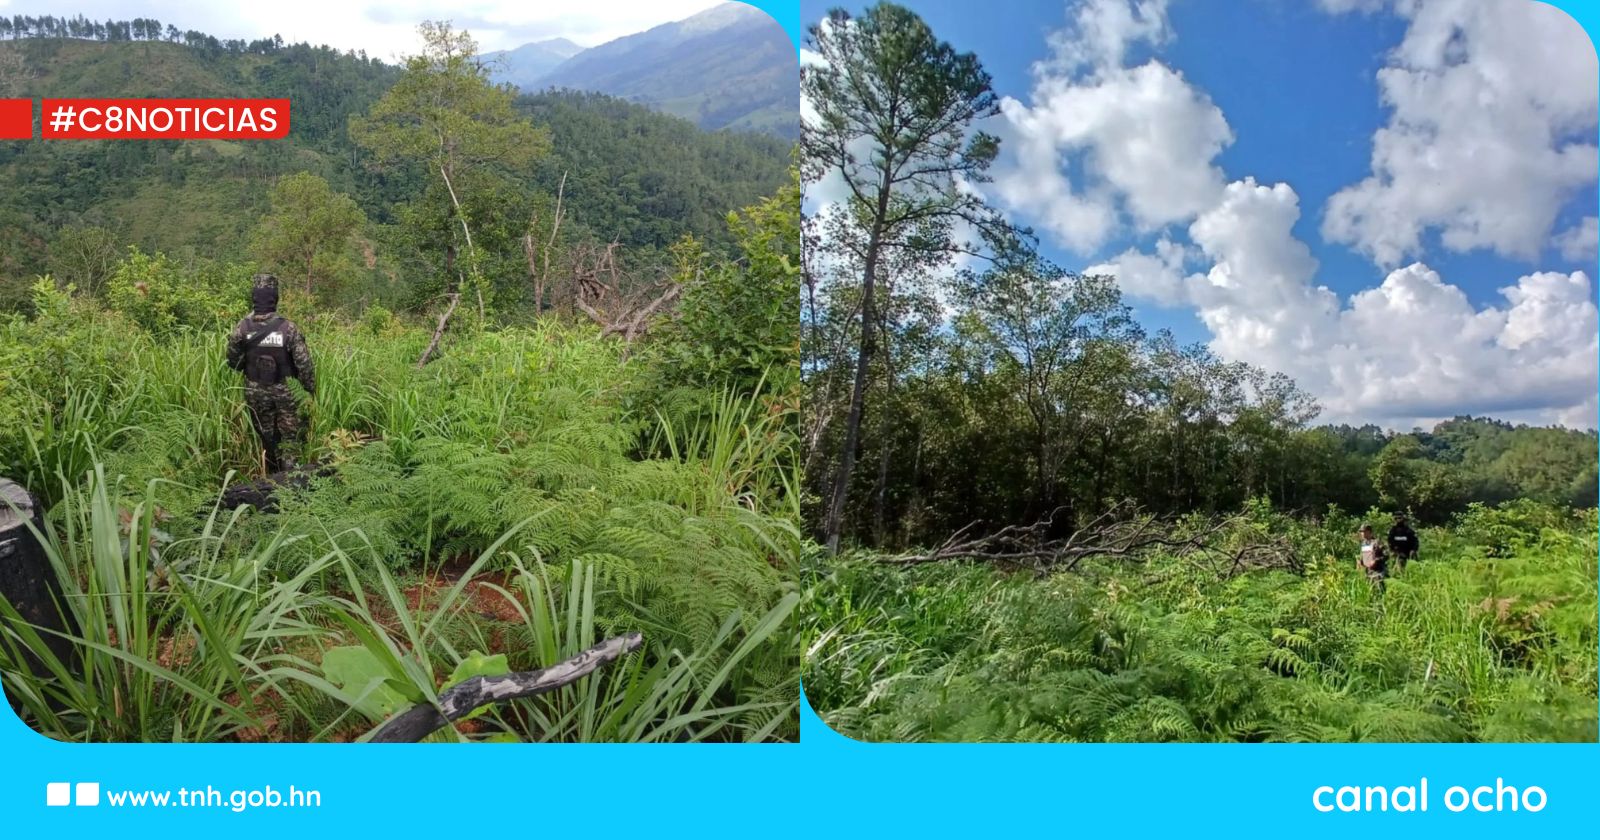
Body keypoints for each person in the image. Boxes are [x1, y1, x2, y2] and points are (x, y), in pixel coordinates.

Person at [226, 273, 315, 473]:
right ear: (275, 298)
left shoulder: (241, 328)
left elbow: (232, 361)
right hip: (287, 393)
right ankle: (289, 479)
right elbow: (305, 366)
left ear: (254, 297)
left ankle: (270, 477)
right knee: (290, 438)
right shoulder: (288, 328)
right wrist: (309, 391)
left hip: (255, 392)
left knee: (266, 437)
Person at [1357, 523, 1388, 591]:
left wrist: (1376, 560)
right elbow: (1364, 556)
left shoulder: (1377, 542)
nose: (1362, 533)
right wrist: (1360, 562)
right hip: (1368, 573)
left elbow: (1386, 555)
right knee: (1370, 592)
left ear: (1369, 531)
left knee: (1380, 591)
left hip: (1378, 573)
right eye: (1361, 532)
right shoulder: (1364, 544)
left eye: (1364, 531)